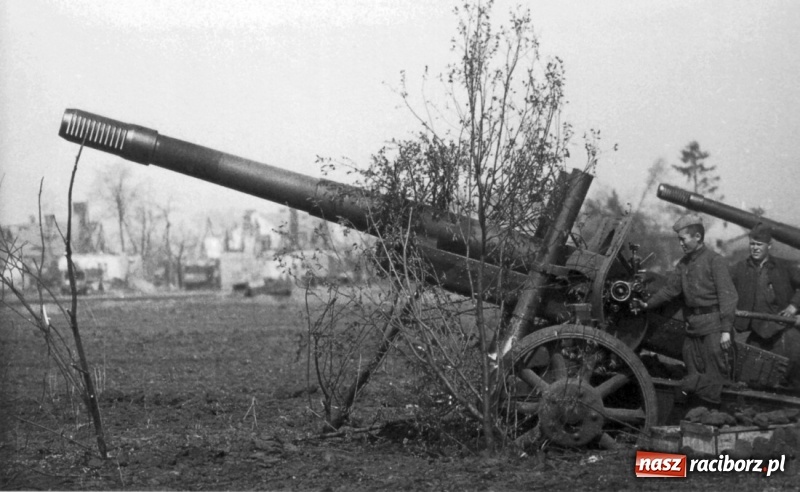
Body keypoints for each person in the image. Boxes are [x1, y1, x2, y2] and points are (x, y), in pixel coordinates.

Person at [636, 214, 738, 407]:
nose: (681, 244)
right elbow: (669, 290)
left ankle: (714, 416)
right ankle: (696, 414)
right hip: (692, 328)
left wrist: (725, 331)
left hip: (713, 327)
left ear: (697, 237)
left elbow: (728, 297)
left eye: (683, 239)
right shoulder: (683, 264)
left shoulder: (715, 261)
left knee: (714, 376)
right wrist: (648, 304)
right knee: (693, 372)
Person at [729, 223, 800, 391]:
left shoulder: (784, 267)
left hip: (782, 329)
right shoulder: (740, 268)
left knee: (793, 369)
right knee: (749, 374)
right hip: (755, 331)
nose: (754, 248)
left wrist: (793, 307)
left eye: (759, 245)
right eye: (752, 244)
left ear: (769, 246)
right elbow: (721, 285)